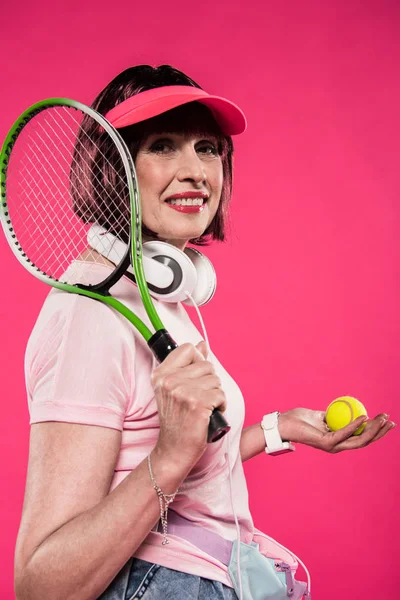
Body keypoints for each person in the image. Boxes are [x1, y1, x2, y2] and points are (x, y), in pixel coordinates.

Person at [14, 65, 395, 600]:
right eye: (163, 146)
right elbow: (40, 585)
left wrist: (278, 430)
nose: (195, 171)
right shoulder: (89, 317)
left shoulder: (158, 292)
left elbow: (185, 459)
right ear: (110, 171)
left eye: (208, 148)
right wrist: (168, 456)